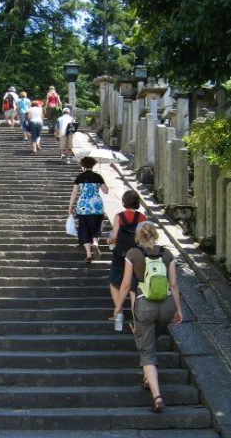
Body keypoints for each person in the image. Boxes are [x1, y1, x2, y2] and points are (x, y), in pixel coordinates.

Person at [113, 221, 183, 412]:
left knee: (147, 352)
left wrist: (118, 307)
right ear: (155, 234)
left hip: (145, 305)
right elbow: (174, 285)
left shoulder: (133, 254)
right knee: (149, 339)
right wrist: (178, 309)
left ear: (138, 236)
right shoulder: (167, 254)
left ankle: (157, 396)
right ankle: (147, 376)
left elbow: (126, 285)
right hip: (166, 305)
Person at [108, 190, 147, 320]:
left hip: (120, 253)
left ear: (124, 201)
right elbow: (145, 238)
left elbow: (114, 237)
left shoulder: (119, 216)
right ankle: (137, 316)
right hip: (137, 254)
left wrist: (109, 241)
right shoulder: (142, 218)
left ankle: (118, 312)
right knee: (133, 286)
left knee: (114, 282)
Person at [68, 155, 108, 262]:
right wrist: (102, 181)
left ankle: (89, 255)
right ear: (93, 165)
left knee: (84, 229)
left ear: (83, 165)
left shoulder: (80, 177)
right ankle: (95, 242)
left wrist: (70, 207)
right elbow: (106, 191)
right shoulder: (98, 176)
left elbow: (74, 193)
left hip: (83, 206)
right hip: (96, 206)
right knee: (96, 226)